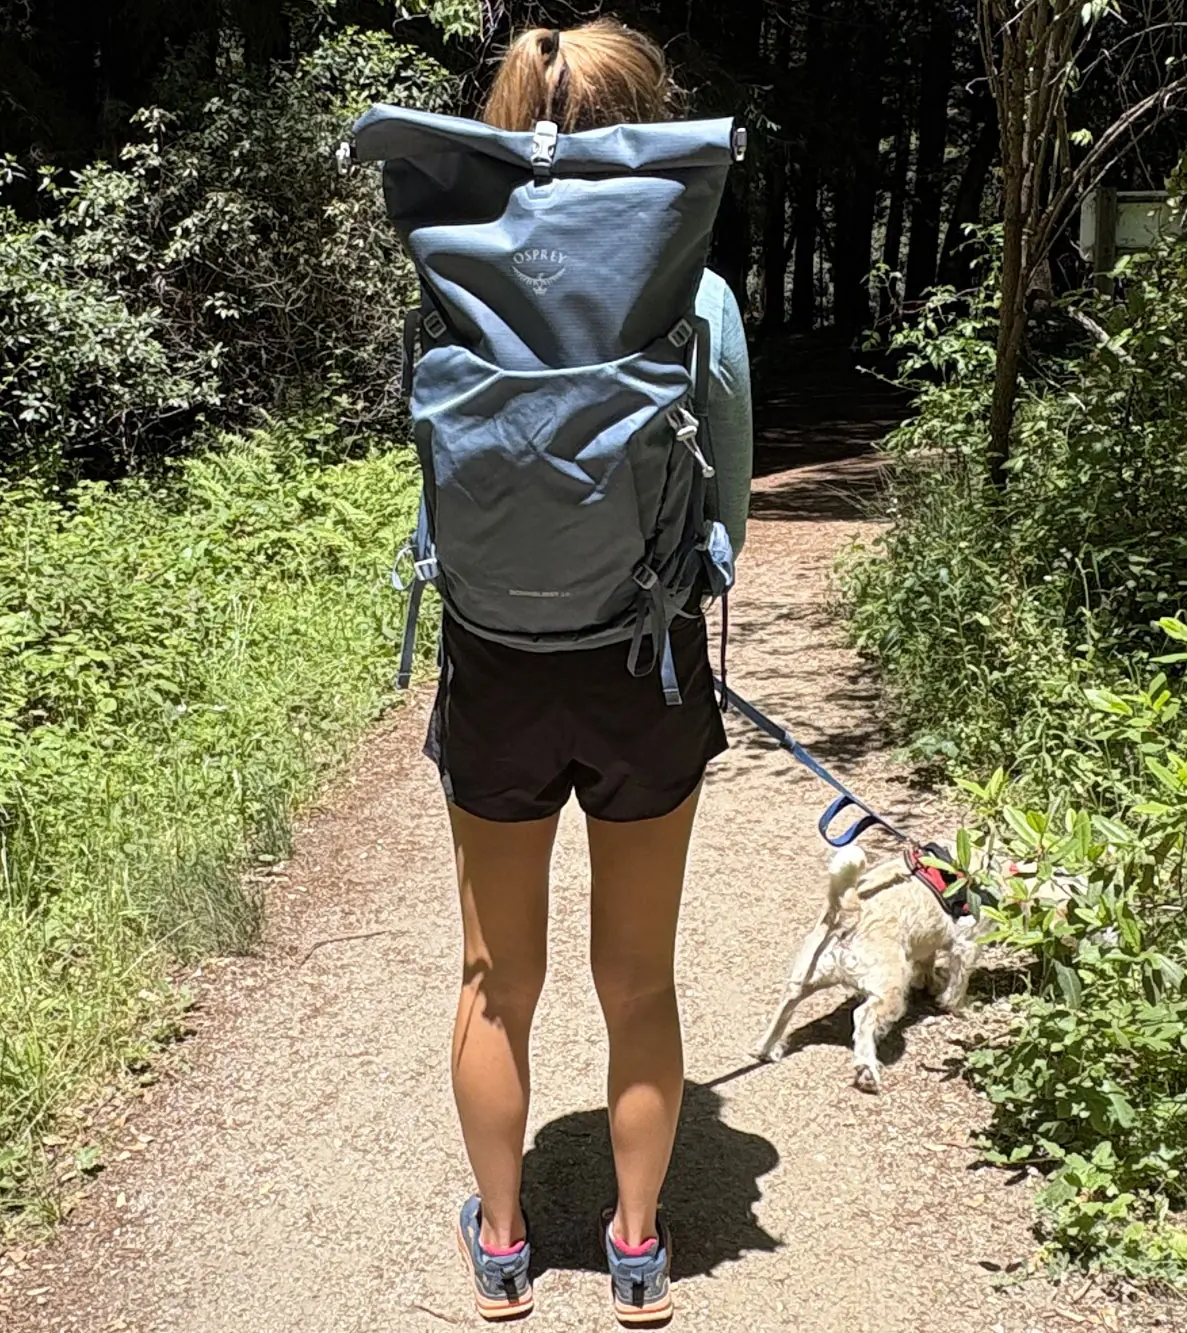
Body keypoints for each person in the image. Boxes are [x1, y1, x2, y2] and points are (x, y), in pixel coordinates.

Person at [430, 19, 754, 1326]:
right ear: (651, 132)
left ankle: (503, 1248)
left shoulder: (452, 286)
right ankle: (634, 1249)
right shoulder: (698, 297)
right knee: (640, 979)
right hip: (645, 671)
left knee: (493, 981)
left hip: (496, 665)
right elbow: (723, 518)